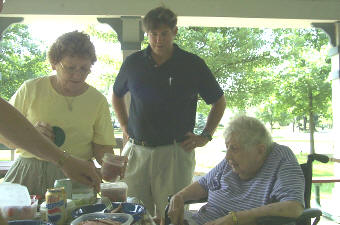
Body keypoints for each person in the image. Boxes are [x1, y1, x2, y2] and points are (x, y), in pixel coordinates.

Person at [112, 6, 226, 221]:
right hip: (136, 152)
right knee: (132, 214)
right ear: (147, 34)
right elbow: (116, 95)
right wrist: (125, 126)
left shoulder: (193, 64)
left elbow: (218, 102)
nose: (158, 40)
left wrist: (206, 136)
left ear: (174, 32)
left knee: (173, 216)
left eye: (164, 33)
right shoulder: (133, 63)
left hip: (175, 152)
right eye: (153, 34)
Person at [0, 30, 116, 196]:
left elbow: (102, 149)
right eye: (70, 68)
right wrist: (31, 133)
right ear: (54, 63)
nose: (77, 75)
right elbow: (4, 135)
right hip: (28, 171)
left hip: (76, 175)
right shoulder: (31, 89)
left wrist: (111, 163)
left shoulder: (97, 100)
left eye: (84, 69)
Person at [167, 115, 305, 225]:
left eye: (234, 148)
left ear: (260, 150)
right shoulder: (231, 161)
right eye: (227, 147)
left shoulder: (280, 158)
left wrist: (235, 219)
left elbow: (293, 207)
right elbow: (203, 184)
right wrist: (179, 196)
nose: (227, 156)